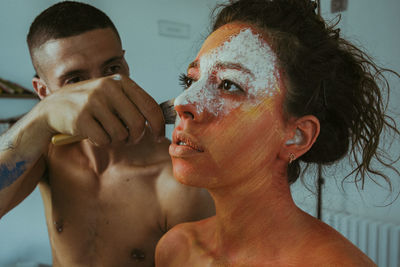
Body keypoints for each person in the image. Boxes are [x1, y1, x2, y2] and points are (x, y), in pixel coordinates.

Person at [155, 0, 399, 266]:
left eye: (228, 84)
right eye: (191, 80)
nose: (182, 101)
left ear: (296, 136)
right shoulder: (176, 249)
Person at [0, 2, 214, 266]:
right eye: (75, 81)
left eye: (112, 69)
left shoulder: (176, 182)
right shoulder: (47, 152)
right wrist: (42, 116)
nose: (100, 92)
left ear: (125, 63)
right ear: (43, 91)